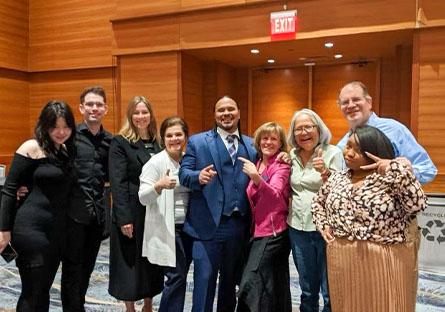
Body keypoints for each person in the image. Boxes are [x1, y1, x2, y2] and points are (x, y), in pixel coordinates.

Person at [311, 125, 428, 312]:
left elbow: (417, 204)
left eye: (357, 150)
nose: (348, 153)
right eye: (348, 146)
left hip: (385, 258)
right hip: (343, 259)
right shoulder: (337, 178)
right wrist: (323, 224)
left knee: (386, 305)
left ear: (374, 152)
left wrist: (394, 168)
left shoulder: (390, 177)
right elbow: (318, 203)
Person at [179, 96, 257, 312]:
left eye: (230, 109)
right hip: (206, 227)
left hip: (238, 226)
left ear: (239, 113)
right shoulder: (198, 141)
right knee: (204, 282)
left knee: (230, 283)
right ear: (215, 115)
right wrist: (197, 177)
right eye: (221, 110)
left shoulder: (251, 145)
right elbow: (183, 174)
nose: (226, 113)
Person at [0, 100, 76, 310]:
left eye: (65, 126)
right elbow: (9, 189)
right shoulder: (31, 147)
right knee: (32, 291)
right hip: (30, 230)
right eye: (54, 127)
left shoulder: (65, 151)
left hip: (56, 232)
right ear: (44, 125)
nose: (61, 132)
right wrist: (4, 230)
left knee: (44, 289)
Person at [108, 95, 164, 312]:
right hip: (131, 212)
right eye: (136, 112)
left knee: (152, 260)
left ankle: (148, 304)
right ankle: (130, 307)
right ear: (130, 116)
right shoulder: (120, 142)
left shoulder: (158, 143)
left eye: (144, 112)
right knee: (129, 262)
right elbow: (118, 183)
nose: (141, 116)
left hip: (154, 211)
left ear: (151, 114)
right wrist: (124, 218)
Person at [286, 109, 343, 312]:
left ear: (319, 129)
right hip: (297, 228)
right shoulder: (291, 155)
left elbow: (341, 189)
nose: (304, 132)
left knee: (330, 289)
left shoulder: (333, 153)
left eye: (308, 127)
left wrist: (325, 172)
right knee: (307, 287)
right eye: (298, 129)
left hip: (326, 230)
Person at [63, 85, 113, 310]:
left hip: (97, 218)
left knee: (87, 270)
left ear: (106, 109)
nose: (94, 108)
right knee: (72, 271)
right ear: (81, 108)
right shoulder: (69, 138)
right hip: (72, 217)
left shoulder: (111, 142)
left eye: (99, 105)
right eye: (90, 104)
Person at [236, 122, 291, 312]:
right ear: (258, 142)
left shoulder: (281, 165)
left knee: (251, 280)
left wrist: (256, 178)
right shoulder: (258, 162)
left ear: (280, 143)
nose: (268, 142)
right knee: (272, 284)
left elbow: (275, 194)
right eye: (265, 138)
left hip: (274, 232)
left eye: (273, 139)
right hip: (257, 230)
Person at [336, 81, 437, 184]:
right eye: (345, 102)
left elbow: (428, 170)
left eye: (356, 99)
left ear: (369, 102)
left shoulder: (395, 130)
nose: (351, 105)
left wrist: (396, 169)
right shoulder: (341, 146)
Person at [139, 116, 192, 312]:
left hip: (191, 228)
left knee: (180, 276)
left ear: (186, 136)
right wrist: (158, 186)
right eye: (169, 135)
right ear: (163, 138)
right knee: (176, 277)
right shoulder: (155, 163)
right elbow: (143, 198)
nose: (174, 139)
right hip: (169, 229)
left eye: (179, 134)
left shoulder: (189, 160)